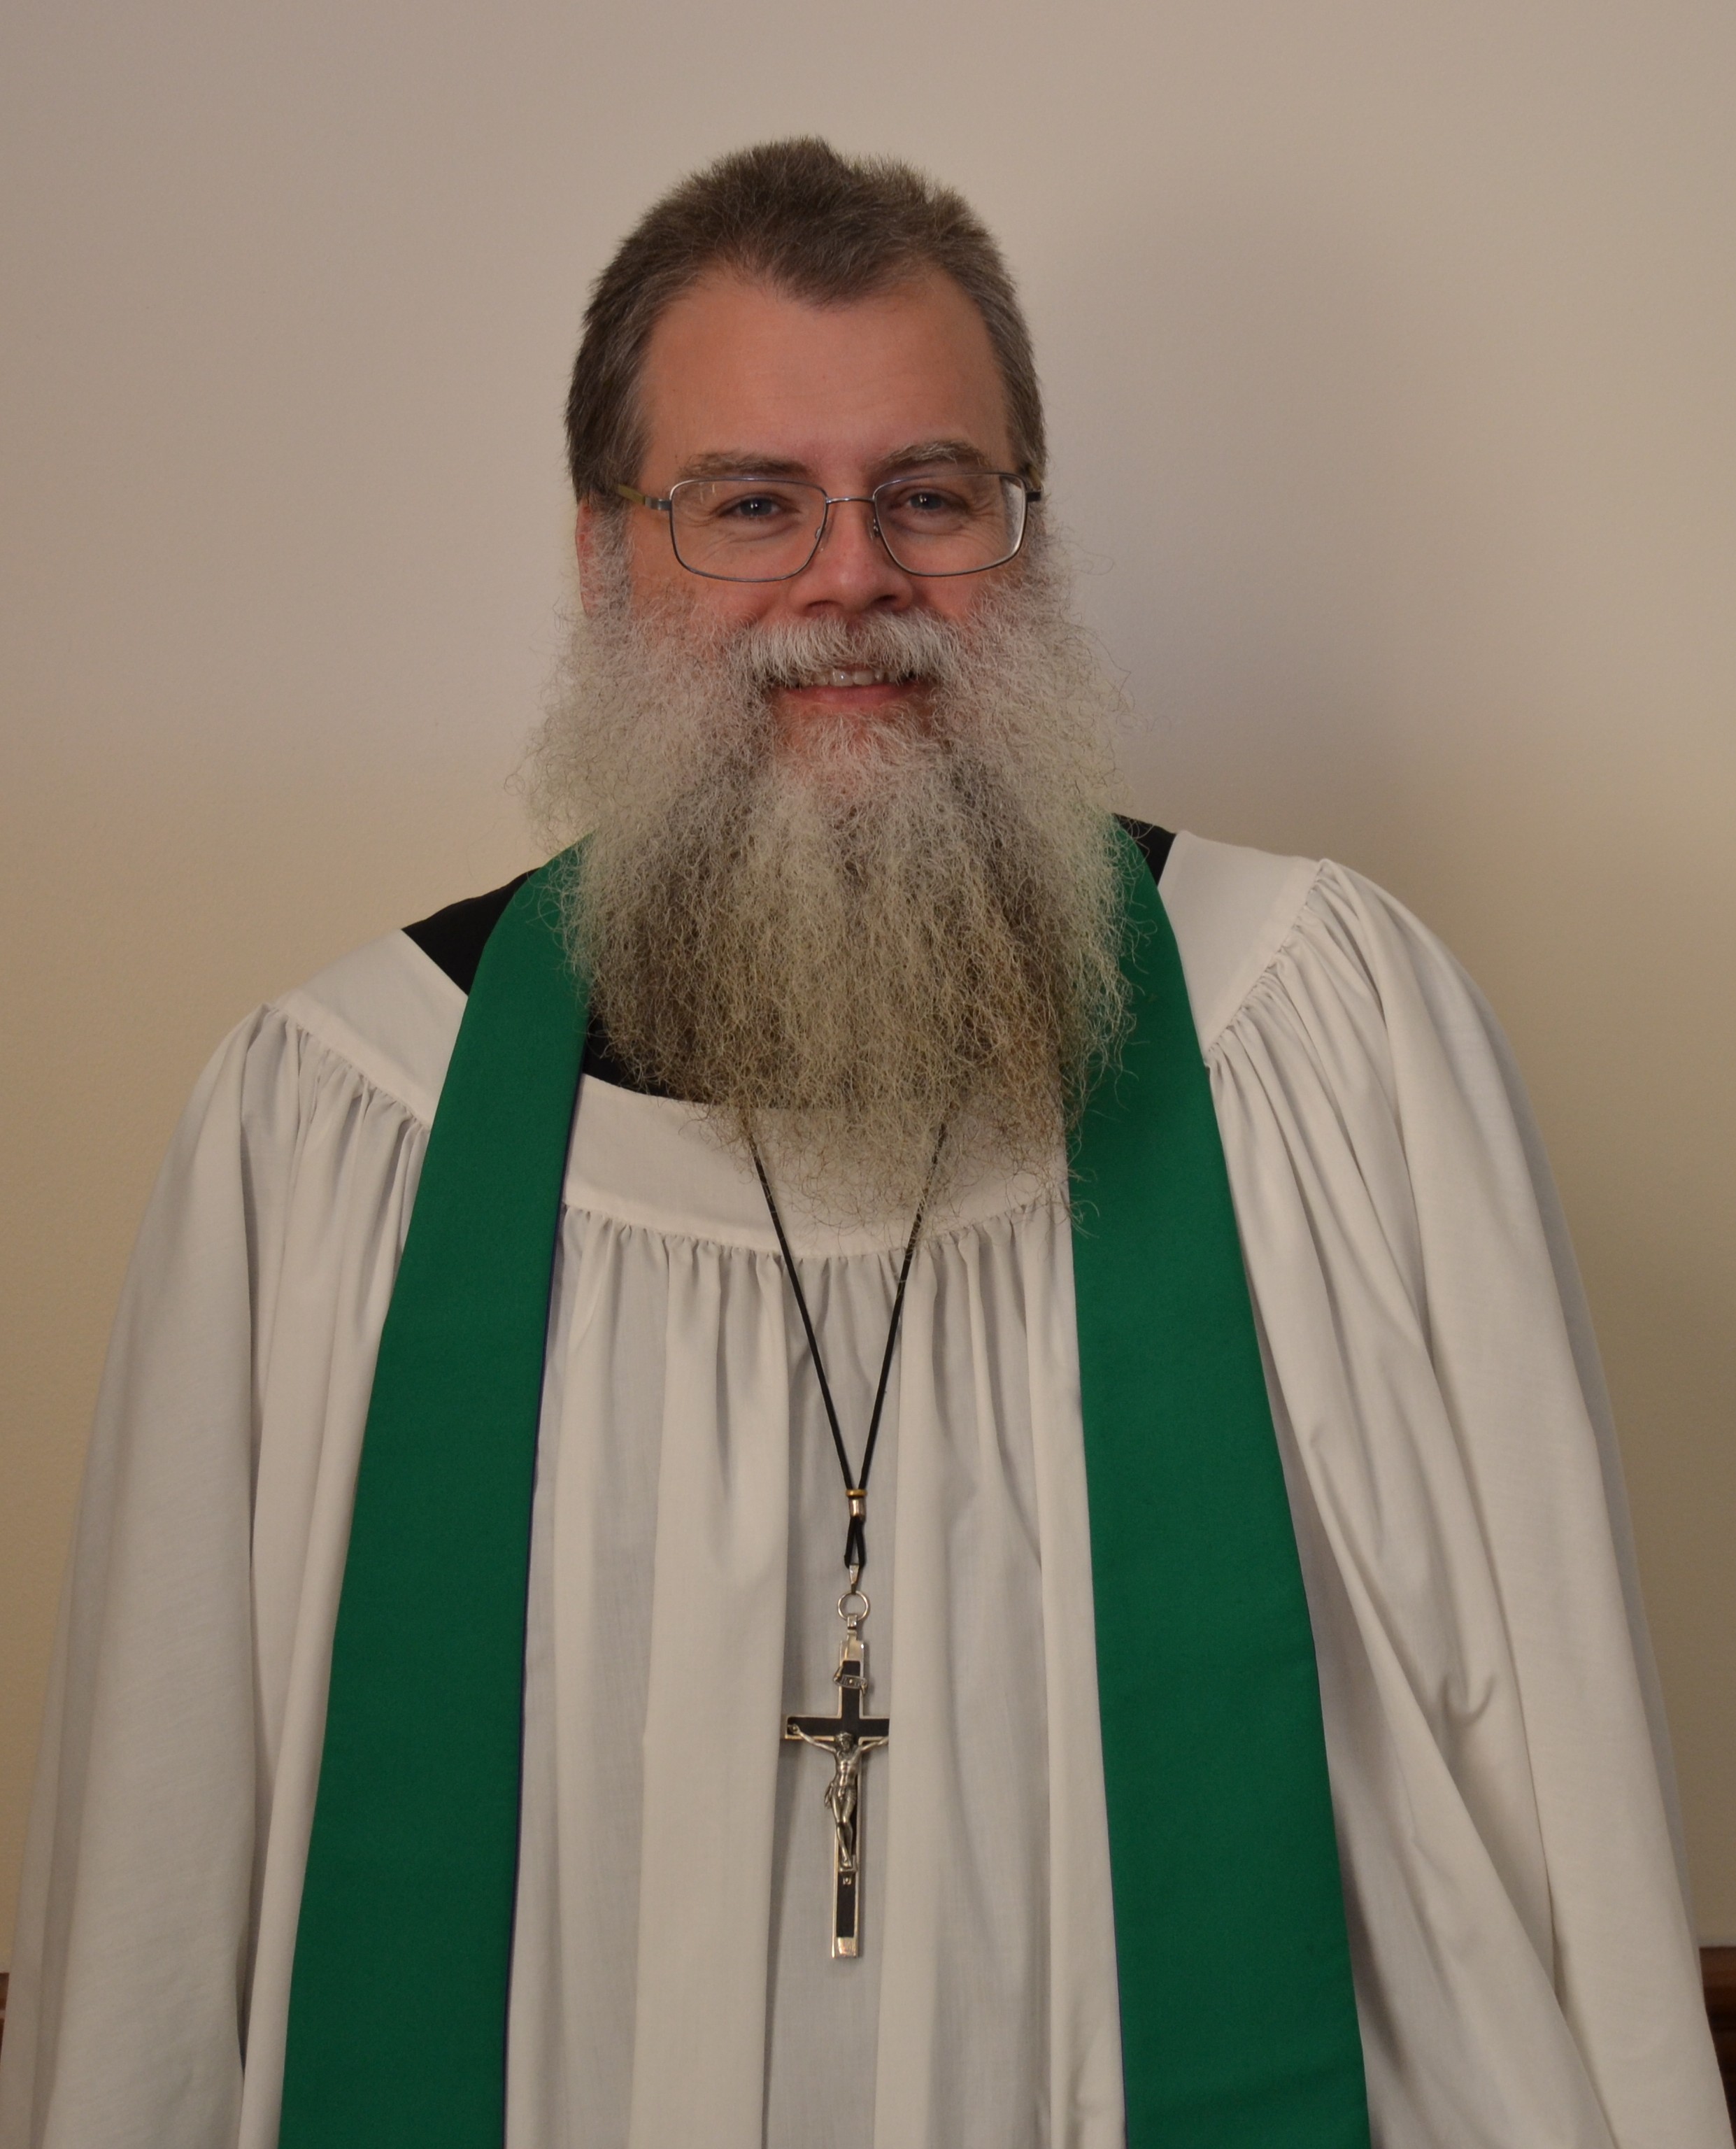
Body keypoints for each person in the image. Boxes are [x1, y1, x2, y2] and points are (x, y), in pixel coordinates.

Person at [0, 139, 1726, 2149]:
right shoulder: (329, 1138)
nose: (851, 581)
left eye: (931, 498)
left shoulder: (1318, 1041)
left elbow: (1554, 1771)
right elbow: (160, 1865)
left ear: (1027, 540)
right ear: (598, 558)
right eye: (750, 505)